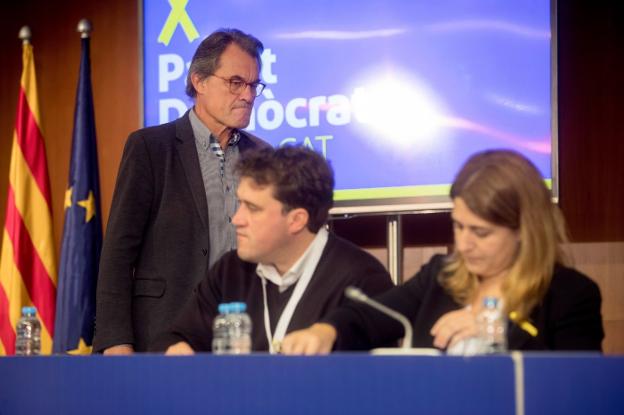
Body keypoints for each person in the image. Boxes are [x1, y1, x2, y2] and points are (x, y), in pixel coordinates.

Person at [281, 149, 605, 354]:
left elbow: (577, 391)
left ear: (524, 230)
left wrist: (497, 331)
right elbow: (367, 319)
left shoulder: (569, 295)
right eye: (458, 226)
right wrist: (327, 330)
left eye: (481, 232)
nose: (464, 244)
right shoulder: (440, 276)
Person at [93, 29, 270, 354]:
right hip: (162, 333)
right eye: (235, 82)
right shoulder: (150, 148)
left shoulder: (262, 156)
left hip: (243, 336)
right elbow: (119, 251)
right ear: (199, 81)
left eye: (254, 85)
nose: (247, 95)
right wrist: (116, 340)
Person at [151, 146, 393, 354]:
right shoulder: (230, 271)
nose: (236, 219)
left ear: (296, 220)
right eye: (240, 204)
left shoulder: (362, 280)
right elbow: (175, 337)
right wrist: (176, 348)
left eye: (252, 208)